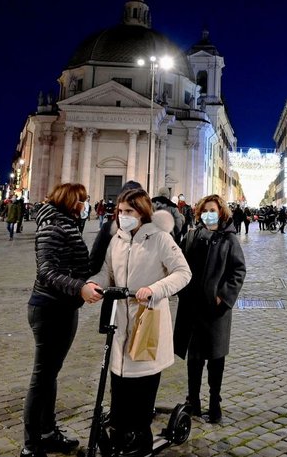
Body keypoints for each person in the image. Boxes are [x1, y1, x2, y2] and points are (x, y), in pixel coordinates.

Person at [90, 187, 191, 456]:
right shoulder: (117, 240)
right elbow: (107, 273)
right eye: (120, 212)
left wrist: (155, 289)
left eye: (129, 212)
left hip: (147, 319)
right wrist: (93, 285)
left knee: (143, 385)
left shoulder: (160, 239)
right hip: (119, 322)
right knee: (118, 382)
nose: (123, 216)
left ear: (142, 212)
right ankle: (119, 434)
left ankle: (140, 439)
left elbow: (183, 273)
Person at [21, 183, 104, 457]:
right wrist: (78, 287)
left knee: (50, 374)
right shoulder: (53, 226)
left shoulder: (65, 224)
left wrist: (105, 240)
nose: (85, 206)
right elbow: (46, 270)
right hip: (49, 307)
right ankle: (31, 445)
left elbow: (80, 265)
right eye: (82, 201)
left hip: (63, 306)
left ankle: (47, 432)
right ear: (71, 201)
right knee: (42, 376)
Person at [174, 194, 247, 424]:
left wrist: (223, 297)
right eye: (204, 210)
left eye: (212, 209)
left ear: (221, 211)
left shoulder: (229, 239)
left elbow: (238, 270)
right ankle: (193, 400)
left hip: (216, 310)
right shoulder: (192, 235)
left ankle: (215, 401)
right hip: (192, 306)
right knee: (194, 358)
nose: (208, 214)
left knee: (216, 358)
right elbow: (180, 264)